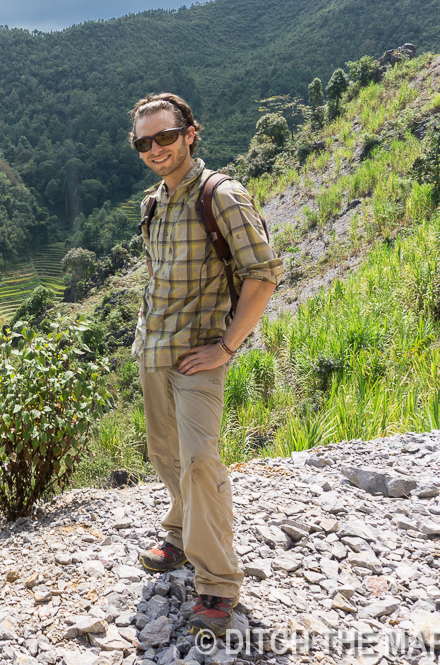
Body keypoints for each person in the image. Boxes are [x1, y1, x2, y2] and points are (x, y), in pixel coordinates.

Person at [129, 93, 283, 636]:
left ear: (190, 133)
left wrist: (226, 348)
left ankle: (217, 584)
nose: (155, 148)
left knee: (199, 462)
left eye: (165, 136)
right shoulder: (154, 203)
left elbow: (263, 276)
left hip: (199, 357)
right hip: (154, 350)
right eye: (144, 141)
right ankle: (179, 533)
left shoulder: (222, 196)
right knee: (166, 455)